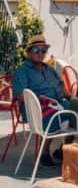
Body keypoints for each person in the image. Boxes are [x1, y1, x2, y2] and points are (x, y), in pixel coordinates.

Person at [12, 33, 74, 164]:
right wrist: (42, 101)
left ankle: (64, 150)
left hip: (58, 104)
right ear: (29, 52)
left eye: (43, 50)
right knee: (54, 113)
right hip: (37, 109)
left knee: (77, 111)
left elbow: (62, 89)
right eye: (36, 50)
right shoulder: (22, 71)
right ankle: (44, 153)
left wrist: (75, 99)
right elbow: (21, 96)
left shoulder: (50, 69)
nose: (40, 53)